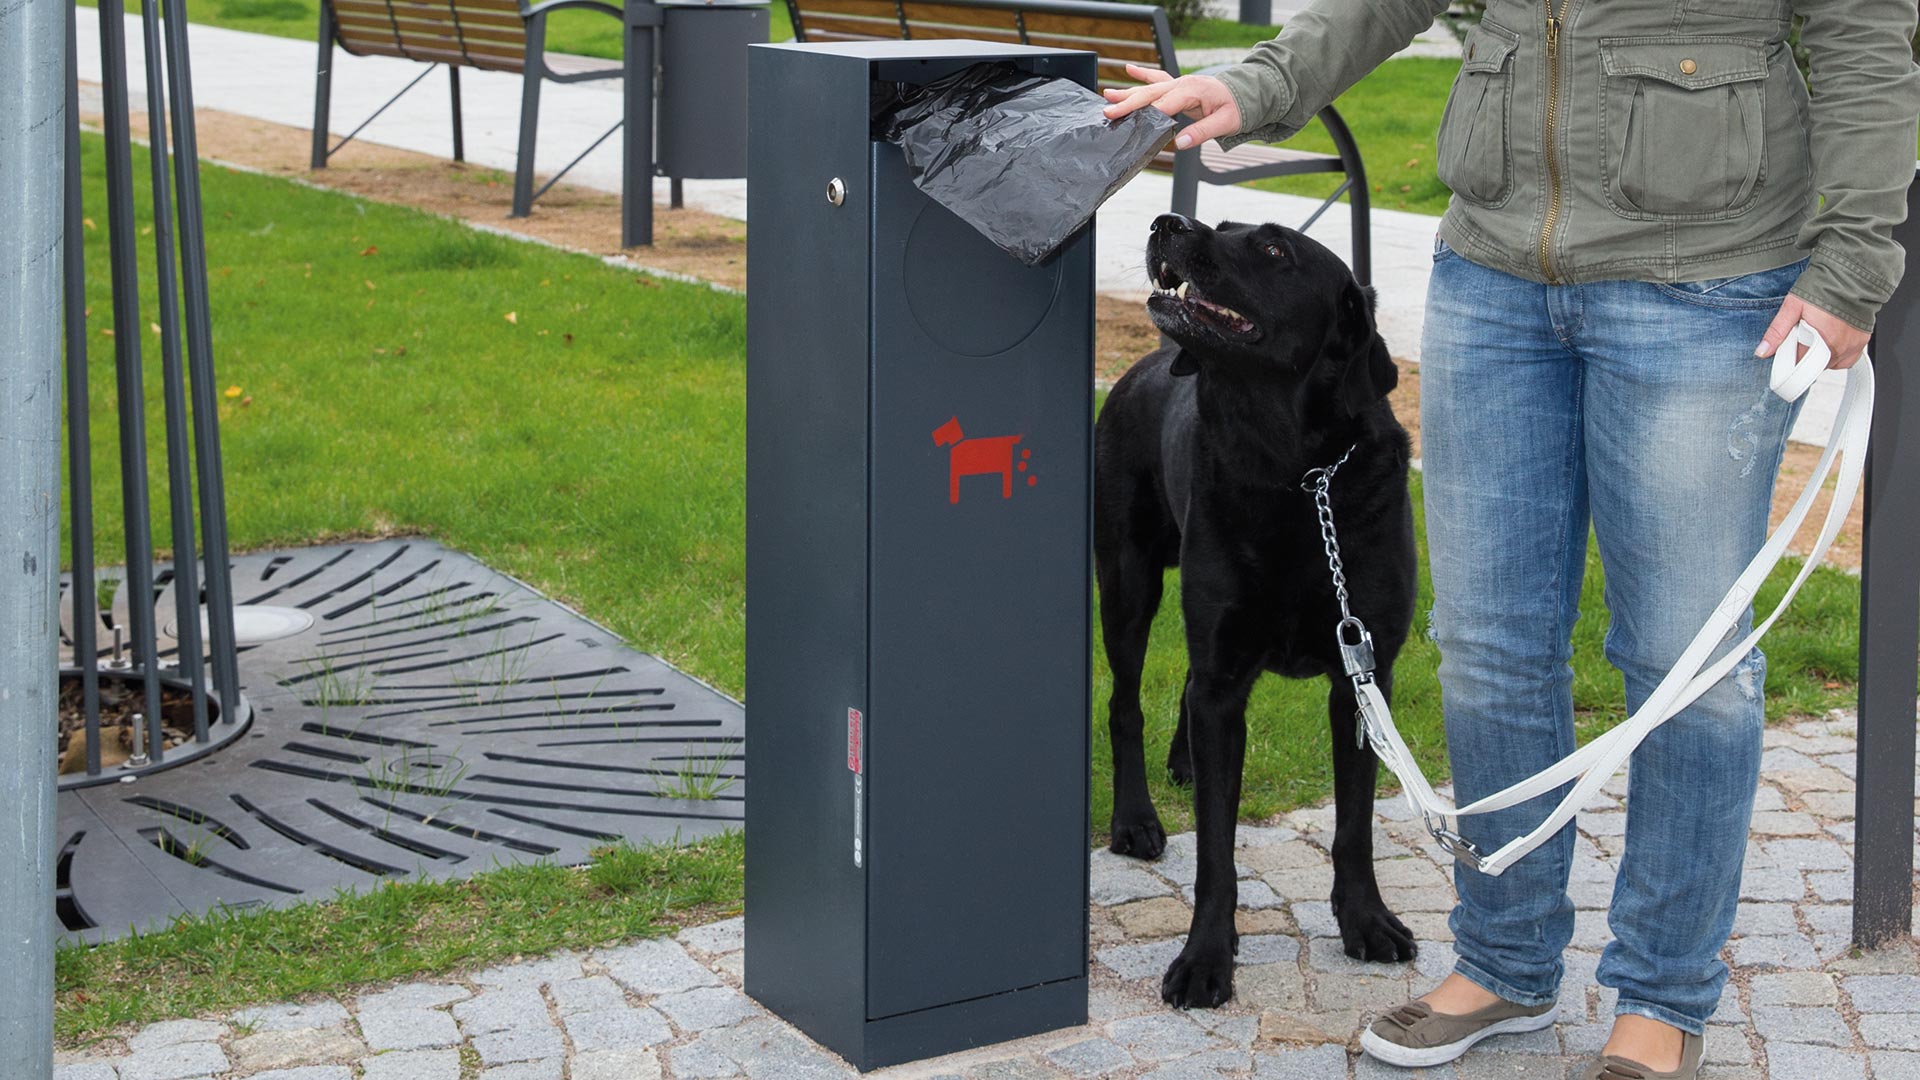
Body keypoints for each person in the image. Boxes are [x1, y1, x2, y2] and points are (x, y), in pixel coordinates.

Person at [1104, 1, 1918, 1077]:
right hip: (1495, 274)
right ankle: (1505, 961)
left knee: (1685, 663)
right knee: (1487, 645)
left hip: (1705, 278)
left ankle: (1662, 998)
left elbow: (1862, 30)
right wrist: (1258, 83)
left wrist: (1855, 256)